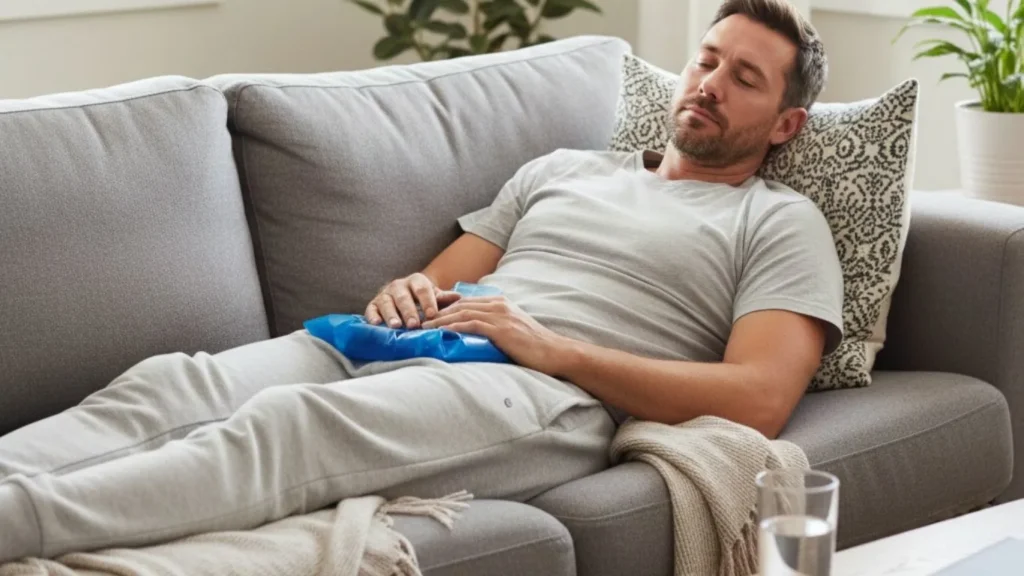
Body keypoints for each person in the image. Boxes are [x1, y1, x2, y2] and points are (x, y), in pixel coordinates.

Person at [0, 0, 842, 563]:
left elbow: (761, 398)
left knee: (290, 428)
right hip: (411, 340)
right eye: (707, 60)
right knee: (171, 386)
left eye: (745, 79)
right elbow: (435, 283)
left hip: (539, 390)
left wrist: (556, 349)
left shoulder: (776, 221)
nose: (709, 86)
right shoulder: (565, 169)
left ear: (786, 123)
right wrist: (403, 295)